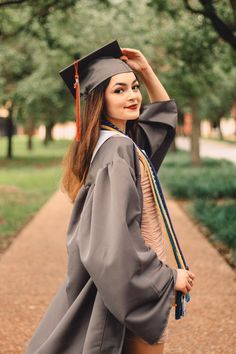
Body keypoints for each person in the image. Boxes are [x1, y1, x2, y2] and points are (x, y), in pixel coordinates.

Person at [26, 40, 195, 354]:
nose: (132, 96)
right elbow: (114, 244)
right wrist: (168, 278)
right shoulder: (117, 152)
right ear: (98, 99)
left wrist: (146, 71)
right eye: (119, 90)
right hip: (136, 286)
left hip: (131, 283)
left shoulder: (117, 141)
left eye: (134, 87)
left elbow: (160, 125)